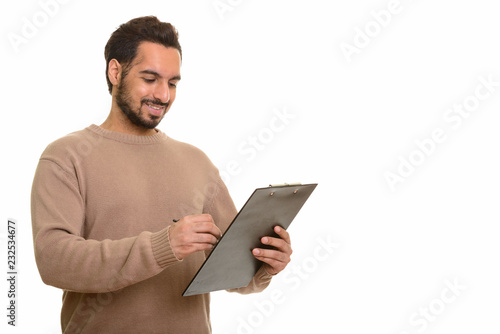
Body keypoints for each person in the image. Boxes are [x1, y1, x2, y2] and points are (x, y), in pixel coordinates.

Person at [31, 16, 293, 333]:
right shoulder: (65, 157)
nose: (163, 95)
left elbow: (232, 270)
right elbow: (54, 261)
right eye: (150, 78)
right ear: (115, 72)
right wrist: (162, 246)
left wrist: (264, 264)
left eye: (172, 83)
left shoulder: (197, 161)